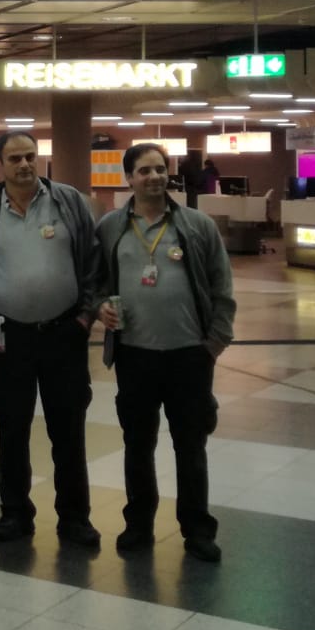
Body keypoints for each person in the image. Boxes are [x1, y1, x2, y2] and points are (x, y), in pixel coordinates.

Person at [0, 131, 103, 547]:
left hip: (64, 336)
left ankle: (74, 518)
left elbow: (93, 263)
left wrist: (85, 316)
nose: (24, 165)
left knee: (68, 430)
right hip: (7, 337)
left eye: (30, 156)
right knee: (12, 430)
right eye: (14, 158)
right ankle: (15, 514)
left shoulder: (67, 201)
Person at [96, 142, 235, 564]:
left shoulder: (195, 225)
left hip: (189, 356)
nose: (154, 177)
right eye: (144, 170)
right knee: (137, 444)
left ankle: (197, 530)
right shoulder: (110, 227)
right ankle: (139, 524)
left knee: (190, 447)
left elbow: (221, 287)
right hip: (135, 356)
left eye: (160, 169)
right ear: (129, 178)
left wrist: (212, 345)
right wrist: (99, 306)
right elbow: (95, 283)